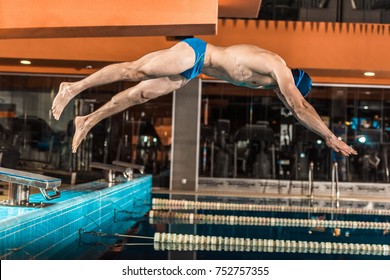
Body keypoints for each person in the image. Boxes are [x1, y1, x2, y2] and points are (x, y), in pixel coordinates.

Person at [51, 38, 357, 156]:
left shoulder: (268, 82)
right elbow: (299, 107)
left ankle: (87, 120)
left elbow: (294, 107)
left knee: (140, 95)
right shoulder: (278, 66)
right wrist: (330, 137)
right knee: (136, 72)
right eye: (285, 91)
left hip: (193, 72)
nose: (282, 96)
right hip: (197, 52)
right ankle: (73, 88)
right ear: (293, 80)